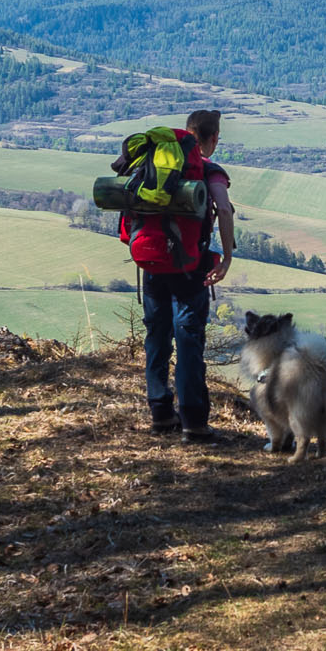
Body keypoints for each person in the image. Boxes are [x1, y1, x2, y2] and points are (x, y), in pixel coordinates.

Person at [130, 109, 236, 442]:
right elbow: (225, 207)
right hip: (191, 270)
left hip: (151, 265)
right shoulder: (209, 170)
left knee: (157, 340)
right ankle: (194, 423)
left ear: (188, 132)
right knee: (189, 342)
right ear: (213, 138)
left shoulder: (159, 163)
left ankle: (160, 413)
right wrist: (228, 257)